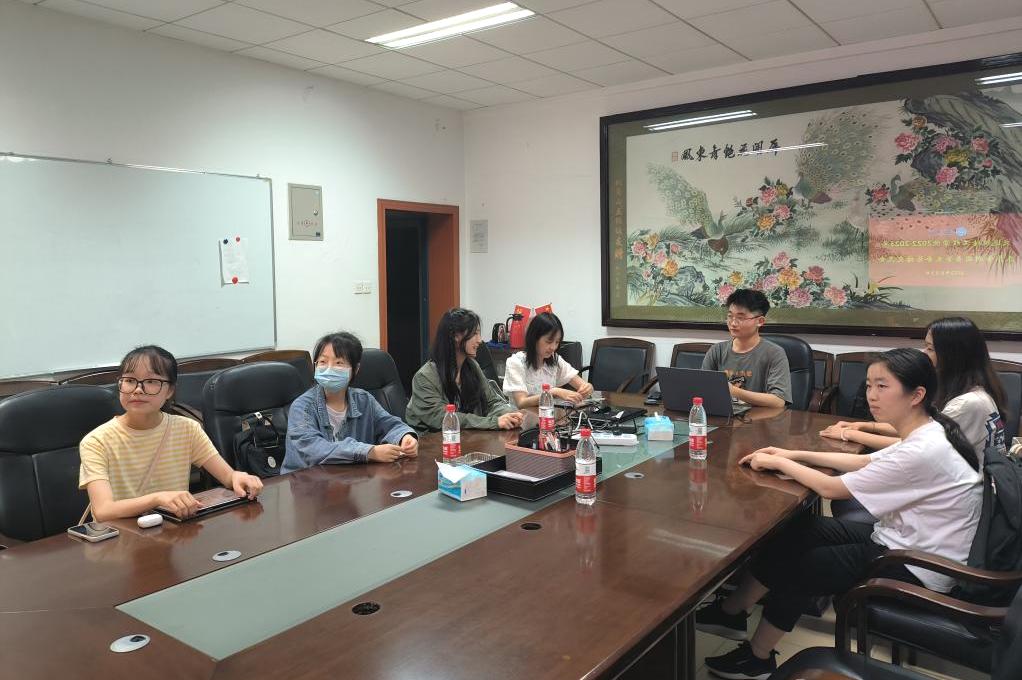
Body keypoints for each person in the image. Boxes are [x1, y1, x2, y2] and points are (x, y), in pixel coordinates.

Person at [696, 348, 982, 679]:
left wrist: (779, 463)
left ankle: (757, 658)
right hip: (902, 539)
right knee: (796, 531)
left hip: (918, 564)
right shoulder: (927, 430)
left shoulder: (924, 447)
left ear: (916, 395)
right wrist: (791, 454)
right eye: (869, 385)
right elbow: (864, 461)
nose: (871, 395)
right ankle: (730, 612)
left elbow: (832, 489)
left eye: (882, 386)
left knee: (807, 566)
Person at [79, 345, 263, 521]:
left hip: (172, 530)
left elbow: (228, 477)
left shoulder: (187, 429)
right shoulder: (96, 441)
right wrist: (157, 498)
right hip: (122, 536)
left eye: (151, 381)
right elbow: (103, 511)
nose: (137, 389)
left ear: (170, 391)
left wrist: (239, 477)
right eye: (129, 380)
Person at [820, 317, 1007, 462]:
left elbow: (912, 444)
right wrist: (865, 426)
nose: (924, 353)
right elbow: (920, 428)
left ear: (953, 355)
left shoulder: (967, 404)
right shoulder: (972, 391)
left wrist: (849, 434)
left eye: (930, 348)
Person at [282, 332, 418, 473]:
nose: (329, 368)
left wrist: (405, 437)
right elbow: (314, 449)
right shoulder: (302, 407)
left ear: (355, 369)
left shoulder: (364, 400)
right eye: (323, 362)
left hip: (350, 479)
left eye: (339, 363)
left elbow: (390, 425)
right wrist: (369, 452)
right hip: (307, 481)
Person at [406, 308, 523, 431]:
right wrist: (493, 422)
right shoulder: (425, 377)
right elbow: (443, 418)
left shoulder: (471, 366)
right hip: (432, 439)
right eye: (475, 334)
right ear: (456, 336)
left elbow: (492, 402)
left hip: (465, 437)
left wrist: (509, 414)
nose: (480, 340)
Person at [702, 289, 791, 409]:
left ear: (760, 321)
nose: (733, 323)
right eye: (730, 316)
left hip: (759, 417)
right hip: (722, 415)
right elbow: (703, 388)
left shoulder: (774, 353)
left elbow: (778, 401)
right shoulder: (716, 350)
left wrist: (734, 391)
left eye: (740, 318)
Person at [502, 312, 593, 407]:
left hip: (548, 415)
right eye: (549, 341)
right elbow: (521, 403)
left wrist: (587, 388)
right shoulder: (516, 362)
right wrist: (553, 392)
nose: (553, 347)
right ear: (534, 338)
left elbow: (582, 384)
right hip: (522, 415)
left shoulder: (555, 359)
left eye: (557, 342)